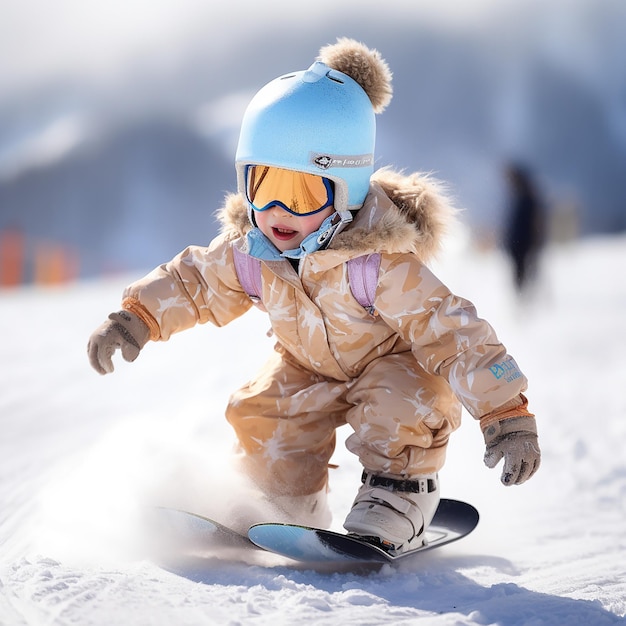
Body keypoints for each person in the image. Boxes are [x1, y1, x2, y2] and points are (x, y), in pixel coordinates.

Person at [88, 38, 541, 556]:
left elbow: (454, 332)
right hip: (305, 365)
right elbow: (195, 282)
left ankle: (399, 497)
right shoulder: (251, 251)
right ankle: (281, 496)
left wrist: (507, 412)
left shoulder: (379, 264)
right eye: (263, 187)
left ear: (344, 190)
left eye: (301, 193)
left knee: (402, 405)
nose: (277, 210)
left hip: (390, 364)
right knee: (264, 410)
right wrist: (137, 317)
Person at [503, 162, 546, 294]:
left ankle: (525, 297)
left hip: (524, 243)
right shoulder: (520, 197)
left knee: (524, 272)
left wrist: (536, 241)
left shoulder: (527, 199)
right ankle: (523, 295)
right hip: (520, 243)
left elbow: (535, 223)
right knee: (522, 272)